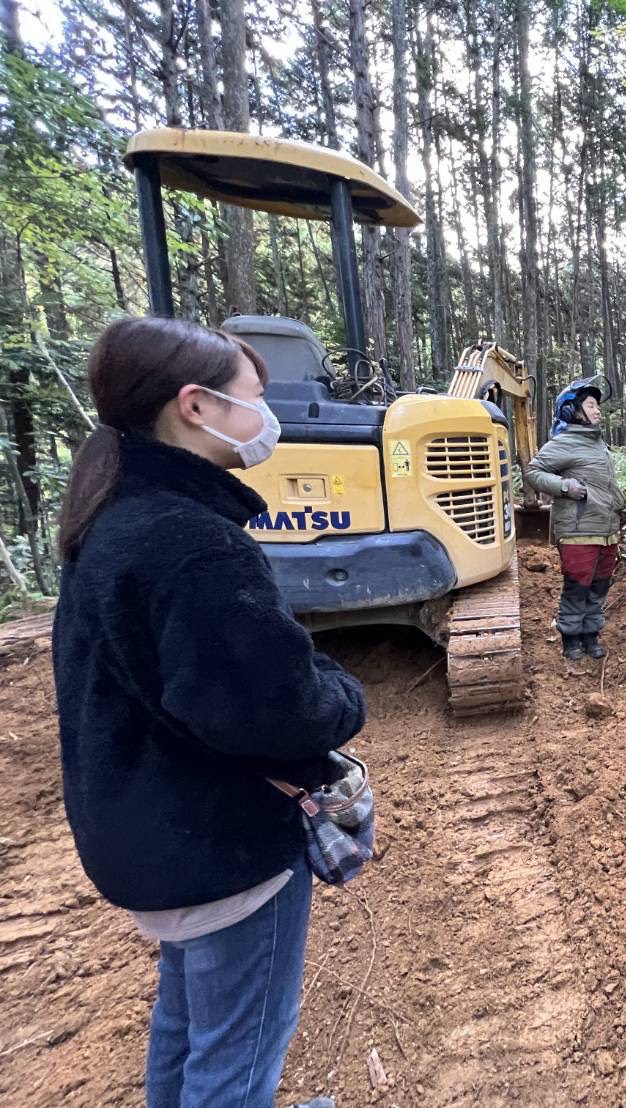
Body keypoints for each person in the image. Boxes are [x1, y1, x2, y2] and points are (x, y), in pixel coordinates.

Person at [52, 316, 367, 1108]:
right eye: (258, 397)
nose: (271, 416)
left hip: (147, 833)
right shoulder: (194, 543)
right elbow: (278, 710)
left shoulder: (114, 518)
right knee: (241, 1047)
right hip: (217, 847)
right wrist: (341, 695)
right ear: (197, 405)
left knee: (189, 1020)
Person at [526, 377, 626, 666]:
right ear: (574, 411)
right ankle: (570, 639)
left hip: (606, 530)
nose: (598, 411)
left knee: (599, 586)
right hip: (578, 531)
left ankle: (590, 636)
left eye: (597, 405)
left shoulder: (599, 445)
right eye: (591, 405)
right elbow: (533, 472)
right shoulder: (564, 443)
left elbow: (605, 484)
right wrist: (565, 487)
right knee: (577, 585)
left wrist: (620, 503)